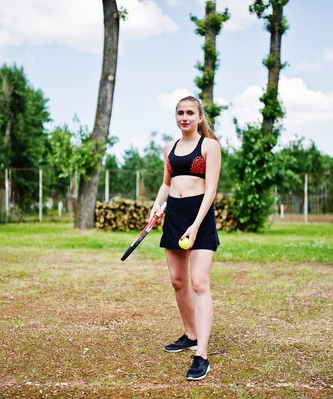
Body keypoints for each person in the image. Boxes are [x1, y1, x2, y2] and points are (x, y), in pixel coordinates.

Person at [150, 95, 221, 381]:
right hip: (175, 215)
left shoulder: (210, 146)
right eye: (180, 112)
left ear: (200, 117)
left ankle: (201, 354)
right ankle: (190, 334)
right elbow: (167, 183)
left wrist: (194, 225)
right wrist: (157, 206)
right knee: (178, 281)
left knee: (199, 282)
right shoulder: (170, 147)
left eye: (190, 112)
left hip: (199, 217)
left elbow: (211, 190)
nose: (185, 117)